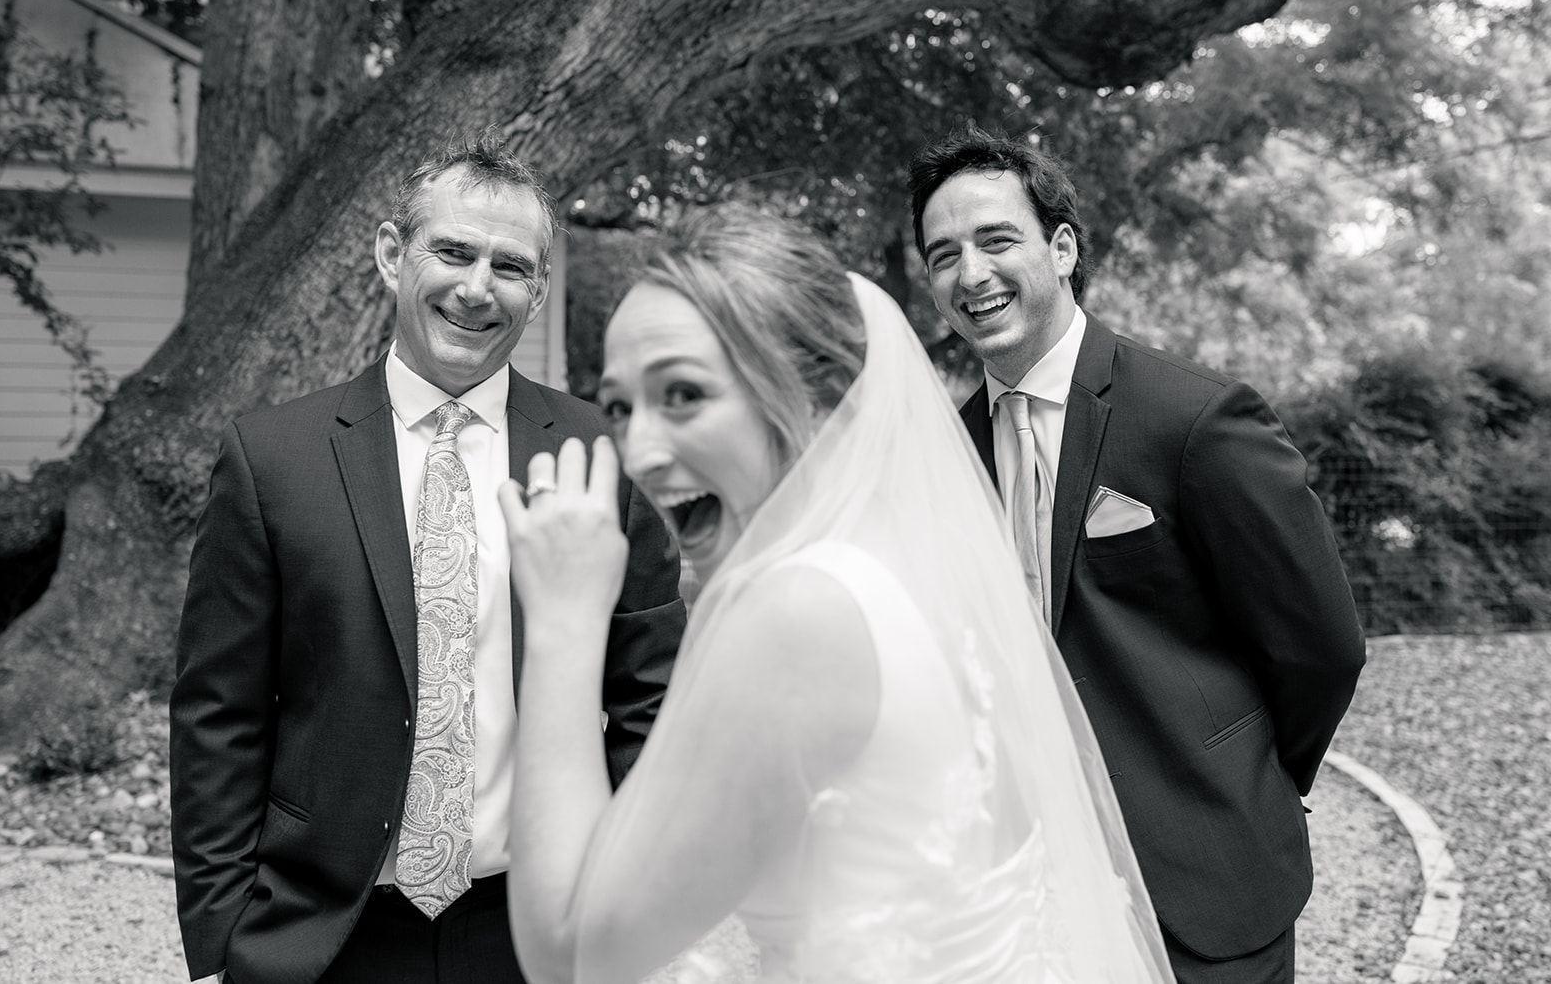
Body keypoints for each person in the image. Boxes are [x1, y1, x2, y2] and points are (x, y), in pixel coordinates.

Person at [498, 205, 1176, 984]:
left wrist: (561, 621)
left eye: (682, 393)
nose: (640, 451)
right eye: (619, 407)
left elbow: (569, 953)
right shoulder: (909, 565)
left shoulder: (797, 611)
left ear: (817, 392)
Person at [169, 131, 687, 984]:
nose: (477, 288)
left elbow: (650, 698)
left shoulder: (596, 450)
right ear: (390, 253)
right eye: (452, 251)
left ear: (539, 288)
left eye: (511, 266)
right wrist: (224, 937)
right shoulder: (273, 458)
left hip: (533, 928)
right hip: (324, 933)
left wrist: (620, 898)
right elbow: (218, 713)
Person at [907, 124, 1366, 983]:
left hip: (1203, 881)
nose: (970, 274)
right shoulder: (946, 452)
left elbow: (1320, 646)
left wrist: (1248, 779)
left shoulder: (1198, 419)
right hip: (1028, 903)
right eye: (943, 254)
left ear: (1063, 246)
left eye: (996, 239)